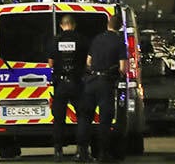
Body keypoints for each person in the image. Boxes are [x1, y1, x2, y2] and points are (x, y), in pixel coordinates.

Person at [76, 13, 127, 163]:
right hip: (106, 83)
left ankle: (82, 153)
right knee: (105, 120)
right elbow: (123, 68)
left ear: (107, 25)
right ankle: (103, 154)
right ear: (120, 27)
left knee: (85, 118)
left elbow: (88, 61)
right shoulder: (119, 42)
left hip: (91, 82)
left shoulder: (97, 39)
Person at [48, 15, 89, 162]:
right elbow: (88, 61)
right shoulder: (82, 40)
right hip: (77, 83)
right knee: (82, 117)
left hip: (60, 84)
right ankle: (82, 150)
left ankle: (58, 151)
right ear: (74, 25)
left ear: (61, 25)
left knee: (59, 119)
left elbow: (51, 64)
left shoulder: (55, 40)